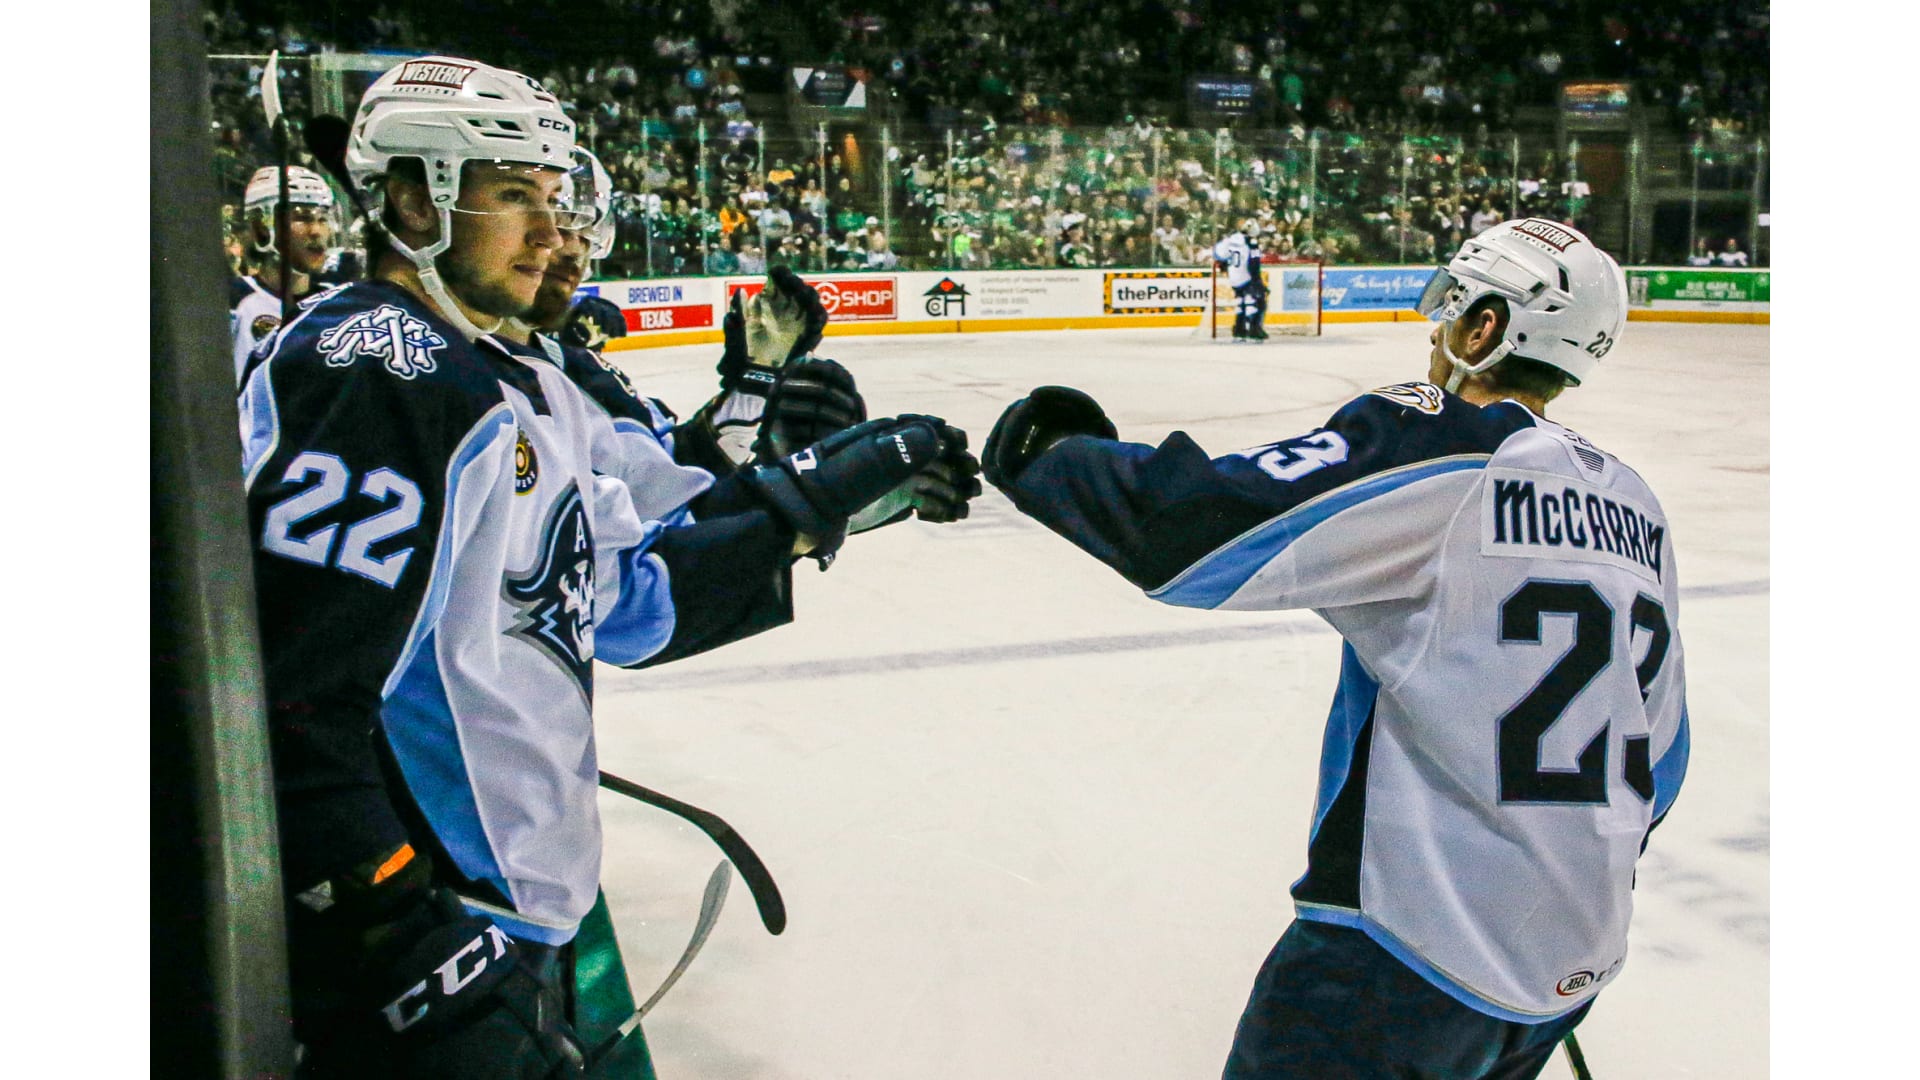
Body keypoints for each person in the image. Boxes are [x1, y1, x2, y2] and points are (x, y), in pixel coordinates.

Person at [237, 56, 975, 1079]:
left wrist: (817, 500)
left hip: (516, 902)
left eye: (556, 200)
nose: (553, 234)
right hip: (444, 918)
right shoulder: (382, 367)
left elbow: (630, 605)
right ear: (411, 200)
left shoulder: (513, 376)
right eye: (514, 196)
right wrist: (400, 933)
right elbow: (290, 706)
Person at [981, 219, 1690, 1079]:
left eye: (1454, 310)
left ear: (1485, 329)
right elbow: (1662, 761)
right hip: (1566, 964)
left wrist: (1052, 455)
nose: (1436, 332)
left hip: (1404, 953)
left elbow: (1194, 533)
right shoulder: (1635, 505)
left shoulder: (1443, 445)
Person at [231, 165, 337, 383]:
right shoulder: (235, 301)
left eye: (322, 219)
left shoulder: (337, 302)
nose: (316, 231)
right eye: (302, 218)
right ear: (261, 227)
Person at [1213, 219, 1268, 341]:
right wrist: (1257, 281)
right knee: (1257, 302)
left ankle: (1239, 329)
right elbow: (1254, 264)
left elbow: (1218, 253)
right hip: (1245, 276)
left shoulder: (1231, 239)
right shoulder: (1251, 243)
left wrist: (1224, 266)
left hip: (1233, 277)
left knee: (1241, 302)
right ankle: (1254, 329)